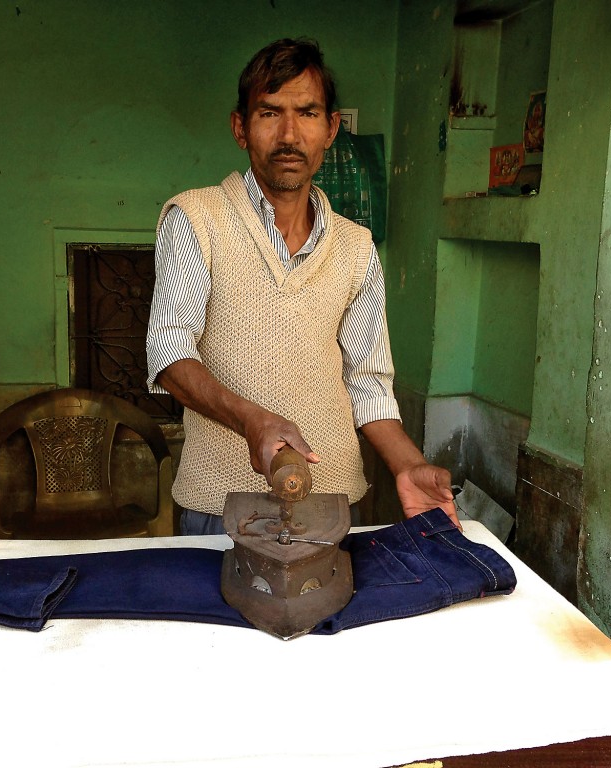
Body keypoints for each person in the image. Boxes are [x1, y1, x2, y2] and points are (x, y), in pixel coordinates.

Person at [146, 37, 457, 536]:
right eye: (270, 113)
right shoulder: (196, 219)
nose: (290, 134)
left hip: (332, 503)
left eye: (308, 113)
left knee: (329, 610)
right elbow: (168, 354)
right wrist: (253, 420)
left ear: (330, 128)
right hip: (218, 507)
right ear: (240, 128)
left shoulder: (357, 247)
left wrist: (408, 465)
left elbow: (369, 383)